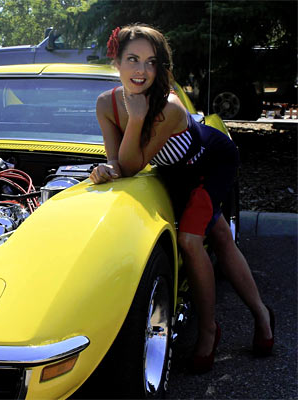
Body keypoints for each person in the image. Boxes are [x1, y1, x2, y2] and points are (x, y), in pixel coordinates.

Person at [89, 24, 274, 374]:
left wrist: (138, 117)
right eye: (132, 59)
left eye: (150, 61)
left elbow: (131, 164)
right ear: (116, 62)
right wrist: (104, 169)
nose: (140, 70)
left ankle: (209, 330)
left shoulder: (168, 106)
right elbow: (118, 162)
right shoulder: (106, 104)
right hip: (176, 172)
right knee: (218, 234)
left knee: (191, 241)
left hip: (210, 161)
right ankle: (262, 315)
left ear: (160, 67)